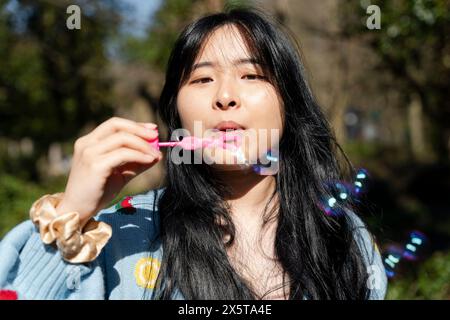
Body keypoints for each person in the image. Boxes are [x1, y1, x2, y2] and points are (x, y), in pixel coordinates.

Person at [0, 8, 387, 300]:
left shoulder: (346, 240)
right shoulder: (118, 237)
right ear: (176, 115)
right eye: (202, 79)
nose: (224, 96)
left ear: (290, 102)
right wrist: (70, 214)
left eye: (251, 75)